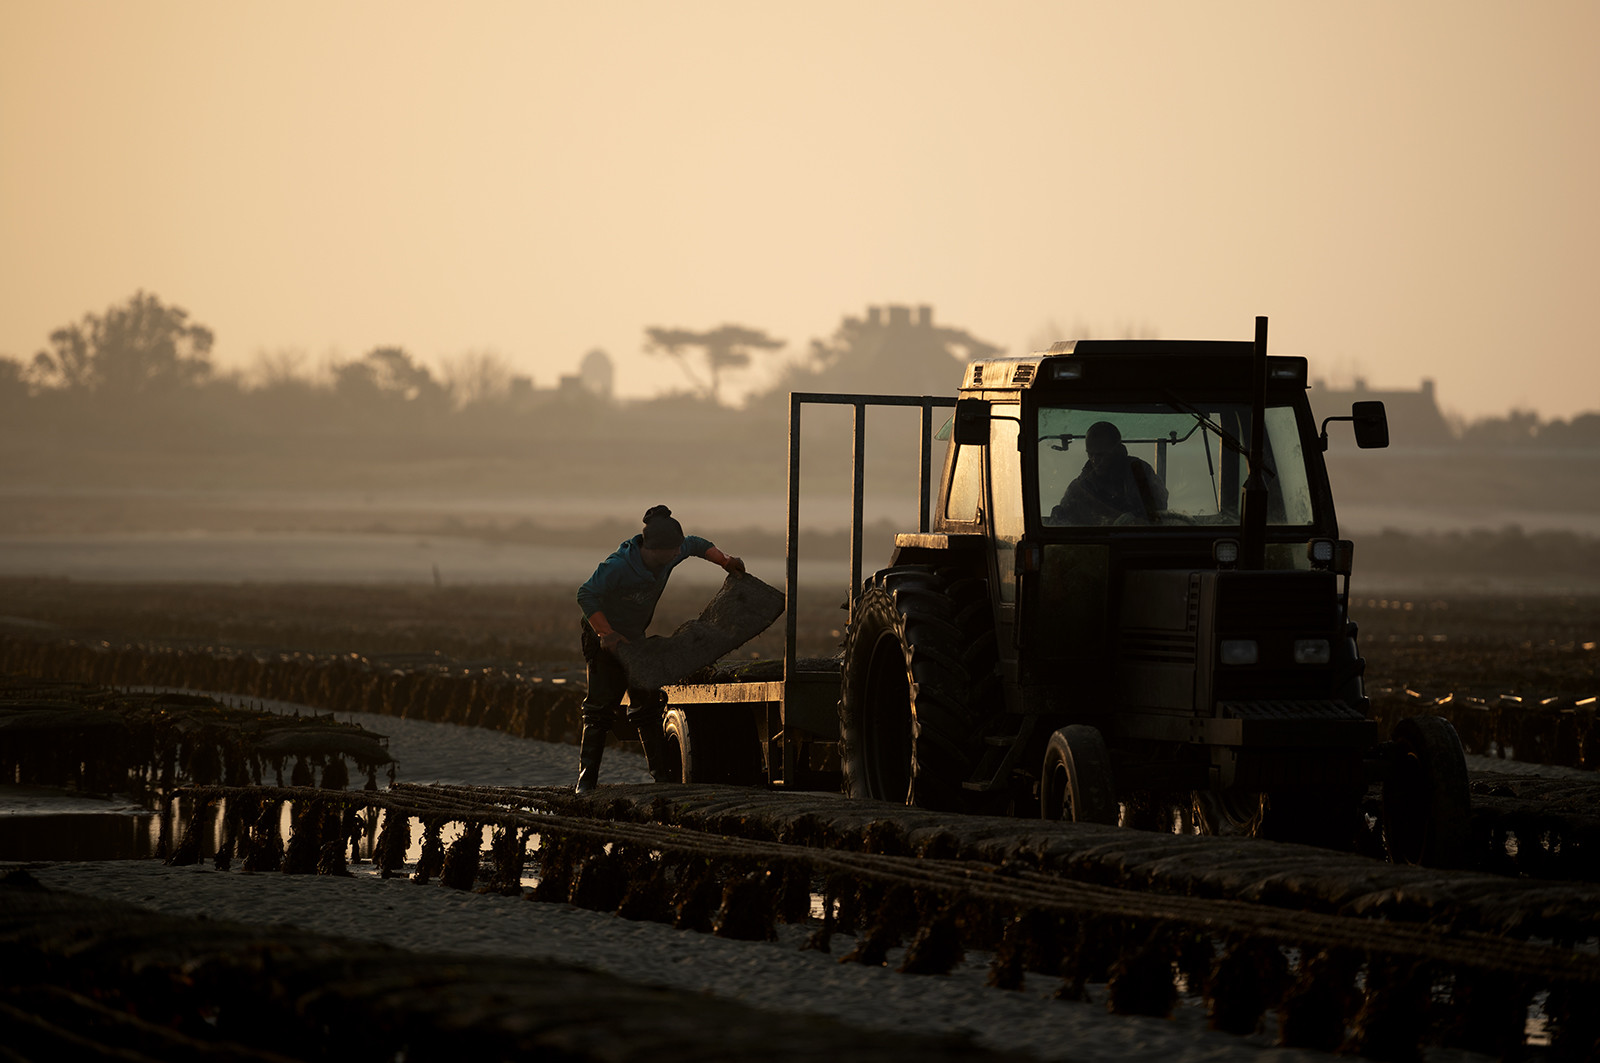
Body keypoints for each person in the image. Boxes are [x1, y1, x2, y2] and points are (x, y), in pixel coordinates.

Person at [573, 505, 745, 794]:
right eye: (671, 554)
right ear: (651, 550)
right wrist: (607, 633)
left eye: (677, 552)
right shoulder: (618, 566)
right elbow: (586, 594)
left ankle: (662, 779)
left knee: (647, 706)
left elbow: (698, 545)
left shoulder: (672, 553)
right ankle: (586, 781)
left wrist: (725, 561)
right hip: (602, 636)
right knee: (600, 709)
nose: (676, 557)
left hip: (635, 638)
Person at [1050, 420, 1169, 525]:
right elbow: (1064, 516)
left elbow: (1156, 516)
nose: (1095, 461)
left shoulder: (1138, 473)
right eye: (1090, 454)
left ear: (1117, 450)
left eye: (1101, 454)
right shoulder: (1082, 485)